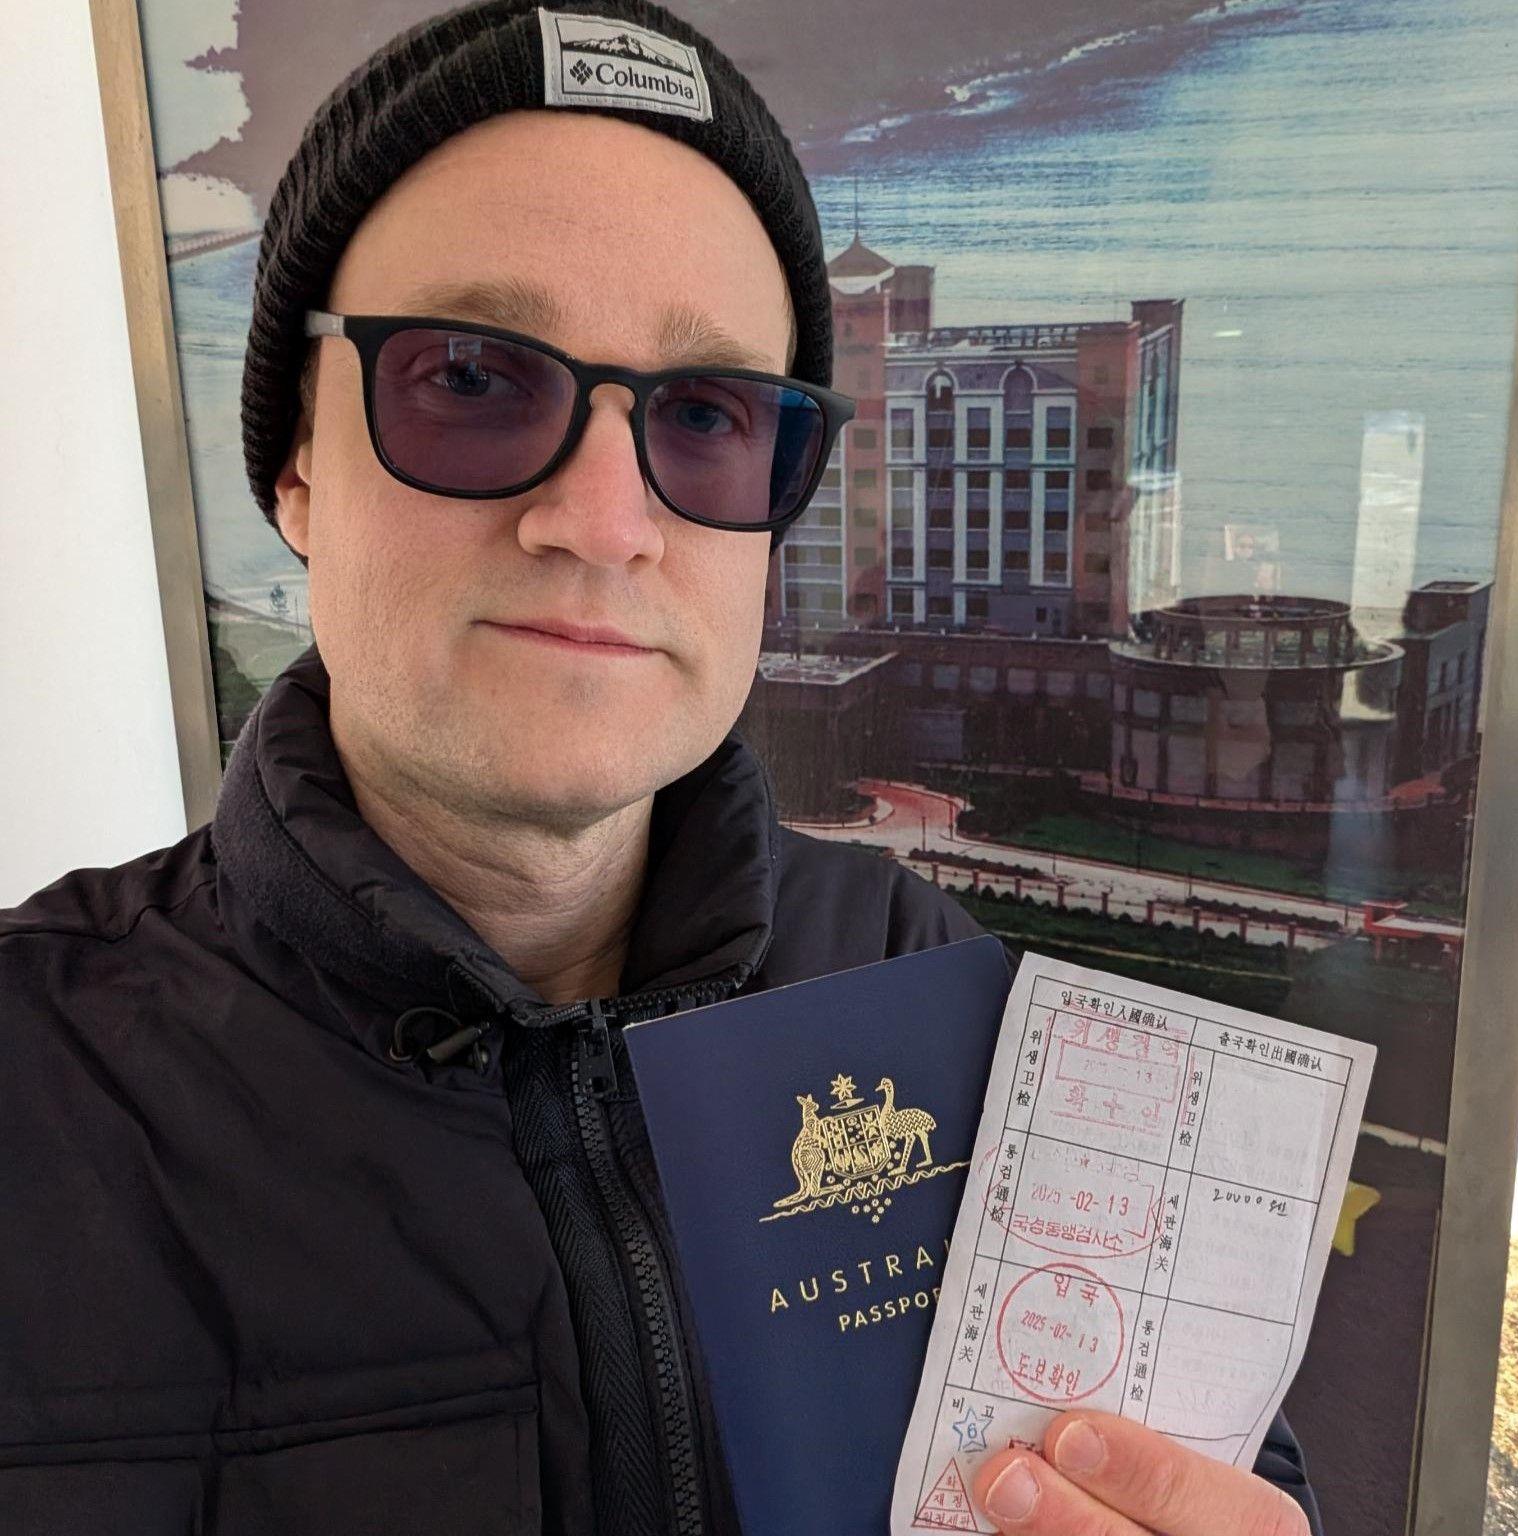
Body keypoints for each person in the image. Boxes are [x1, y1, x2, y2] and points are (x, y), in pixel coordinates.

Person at [0, 2, 1320, 1532]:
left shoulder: (922, 980)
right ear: (297, 465)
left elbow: (1216, 1452)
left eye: (707, 415)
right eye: (474, 380)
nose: (604, 521)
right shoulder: (37, 1093)